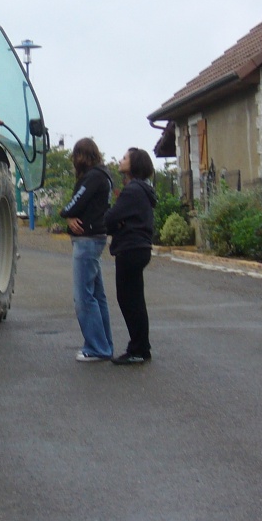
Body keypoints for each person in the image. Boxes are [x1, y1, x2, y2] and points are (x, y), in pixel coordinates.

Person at [60, 138, 114, 362]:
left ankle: (96, 348)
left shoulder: (92, 177)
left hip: (87, 240)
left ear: (82, 156)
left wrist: (66, 213)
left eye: (76, 155)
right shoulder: (105, 176)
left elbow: (75, 203)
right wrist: (70, 218)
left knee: (83, 296)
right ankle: (104, 344)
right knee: (97, 295)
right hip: (96, 236)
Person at [104, 147, 158, 365]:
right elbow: (120, 218)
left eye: (125, 157)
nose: (121, 159)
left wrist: (117, 223)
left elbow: (111, 217)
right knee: (135, 300)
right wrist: (120, 222)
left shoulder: (133, 190)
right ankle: (141, 347)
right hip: (140, 247)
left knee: (129, 300)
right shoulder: (143, 189)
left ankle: (138, 349)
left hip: (130, 248)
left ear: (134, 164)